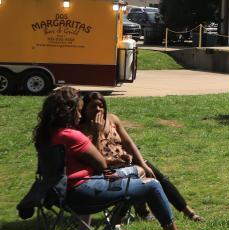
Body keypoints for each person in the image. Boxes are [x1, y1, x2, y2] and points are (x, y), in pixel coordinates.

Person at [32, 87, 199, 230]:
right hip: (83, 192)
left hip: (60, 195)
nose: (79, 113)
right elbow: (100, 164)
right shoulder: (73, 135)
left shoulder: (47, 135)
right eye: (79, 109)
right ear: (69, 111)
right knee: (151, 185)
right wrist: (98, 133)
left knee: (135, 175)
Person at [78, 92, 202, 222]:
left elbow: (128, 143)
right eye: (93, 107)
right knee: (137, 179)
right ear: (85, 110)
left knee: (156, 175)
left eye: (101, 106)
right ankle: (140, 212)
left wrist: (142, 163)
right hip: (107, 168)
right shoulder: (81, 130)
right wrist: (97, 131)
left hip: (127, 160)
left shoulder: (112, 119)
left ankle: (188, 212)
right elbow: (95, 158)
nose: (98, 109)